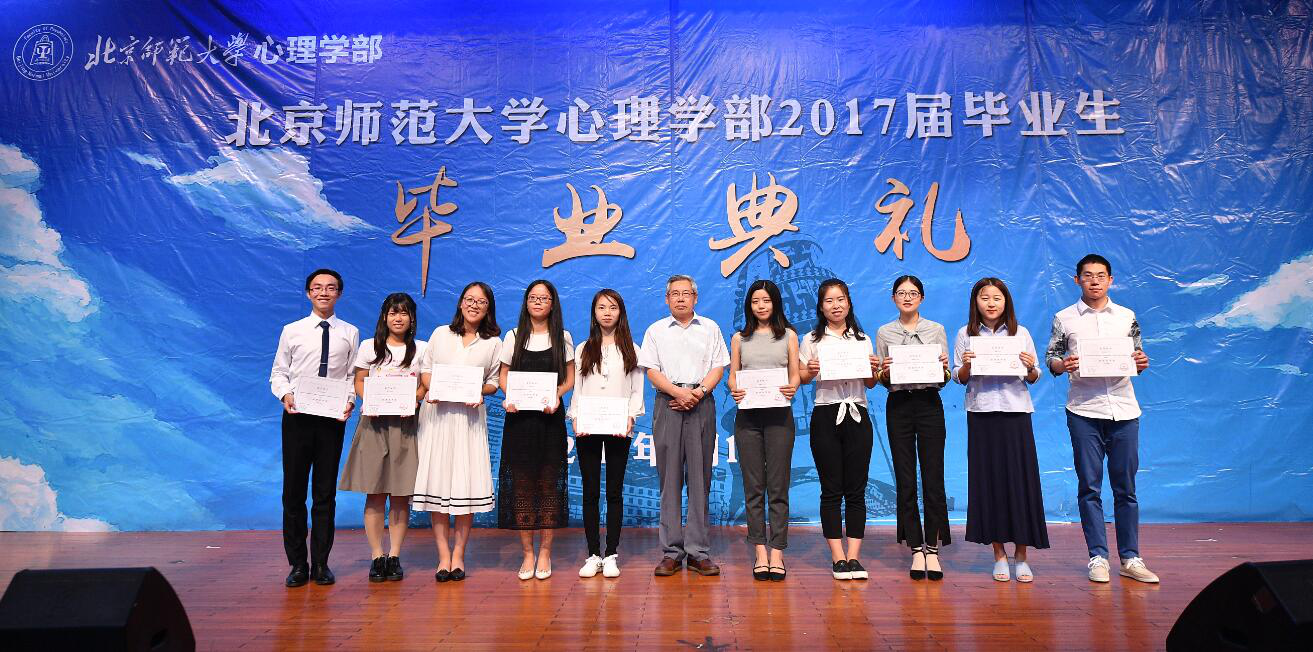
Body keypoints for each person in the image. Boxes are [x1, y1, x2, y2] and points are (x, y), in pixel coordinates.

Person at [1045, 254, 1157, 584]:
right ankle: (1098, 557)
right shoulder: (1065, 318)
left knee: (1126, 488)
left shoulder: (1126, 316)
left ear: (1111, 280)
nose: (1094, 281)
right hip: (1084, 410)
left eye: (1100, 275)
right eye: (1087, 275)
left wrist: (1141, 362)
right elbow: (1052, 358)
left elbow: (1137, 357)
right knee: (1089, 486)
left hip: (1124, 409)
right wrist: (1062, 365)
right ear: (1077, 280)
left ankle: (1131, 558)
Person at [952, 278, 1048, 583]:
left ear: (1006, 301)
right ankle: (999, 555)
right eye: (984, 297)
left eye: (997, 297)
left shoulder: (1021, 333)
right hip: (981, 413)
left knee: (1020, 482)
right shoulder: (965, 334)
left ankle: (1022, 555)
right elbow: (958, 377)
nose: (991, 303)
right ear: (975, 302)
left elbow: (1034, 375)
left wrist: (1030, 366)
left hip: (1016, 412)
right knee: (988, 482)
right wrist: (966, 365)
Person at [269, 268, 360, 587]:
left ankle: (321, 563)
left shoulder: (350, 332)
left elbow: (351, 376)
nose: (324, 292)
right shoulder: (292, 331)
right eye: (317, 287)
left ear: (339, 294)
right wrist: (286, 394)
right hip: (297, 417)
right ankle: (297, 564)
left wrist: (350, 401)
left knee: (324, 493)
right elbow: (278, 372)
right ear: (308, 293)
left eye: (331, 288)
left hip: (331, 420)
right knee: (293, 492)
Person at [639, 274, 729, 577]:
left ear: (695, 297)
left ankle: (698, 551)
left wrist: (698, 393)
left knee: (700, 479)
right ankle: (672, 552)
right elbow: (652, 371)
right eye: (674, 294)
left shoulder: (710, 328)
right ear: (667, 299)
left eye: (686, 293)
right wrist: (678, 393)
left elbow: (718, 366)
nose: (680, 298)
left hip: (701, 403)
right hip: (668, 404)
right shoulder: (655, 331)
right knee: (670, 480)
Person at [414, 281, 502, 582]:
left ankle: (459, 555)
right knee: (438, 485)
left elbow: (494, 382)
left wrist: (479, 391)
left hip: (469, 421)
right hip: (437, 418)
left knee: (466, 487)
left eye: (481, 302)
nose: (474, 305)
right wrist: (434, 388)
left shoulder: (493, 342)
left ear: (488, 308)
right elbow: (426, 371)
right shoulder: (441, 334)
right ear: (461, 303)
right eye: (469, 299)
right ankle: (443, 556)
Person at [339, 293, 426, 582]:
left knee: (401, 494)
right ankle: (377, 556)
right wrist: (371, 401)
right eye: (393, 313)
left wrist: (413, 399)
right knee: (375, 493)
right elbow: (359, 380)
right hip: (374, 425)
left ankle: (395, 555)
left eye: (404, 313)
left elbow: (425, 386)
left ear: (412, 318)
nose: (398, 318)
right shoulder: (369, 346)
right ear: (384, 317)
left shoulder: (422, 349)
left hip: (405, 426)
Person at [798, 278, 879, 581]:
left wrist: (874, 369)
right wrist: (810, 371)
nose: (836, 305)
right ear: (821, 307)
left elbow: (871, 383)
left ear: (849, 303)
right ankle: (837, 557)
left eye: (841, 299)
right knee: (831, 489)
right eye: (829, 301)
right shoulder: (811, 340)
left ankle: (854, 557)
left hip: (857, 412)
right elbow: (802, 378)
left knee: (856, 489)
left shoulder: (862, 339)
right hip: (826, 413)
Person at [876, 274, 952, 581]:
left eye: (913, 293)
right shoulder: (884, 332)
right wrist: (884, 372)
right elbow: (882, 380)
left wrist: (943, 369)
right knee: (905, 478)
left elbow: (945, 378)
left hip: (929, 403)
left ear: (921, 298)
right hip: (899, 405)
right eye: (901, 293)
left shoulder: (936, 329)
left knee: (933, 476)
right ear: (893, 298)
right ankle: (915, 549)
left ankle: (932, 548)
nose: (907, 297)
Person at [498, 280, 575, 580]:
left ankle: (545, 552)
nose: (538, 302)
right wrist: (510, 396)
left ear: (552, 303)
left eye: (544, 298)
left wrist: (557, 395)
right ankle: (527, 553)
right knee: (522, 486)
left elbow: (569, 378)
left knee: (548, 485)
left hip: (549, 420)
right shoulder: (513, 335)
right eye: (533, 297)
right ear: (526, 302)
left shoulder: (563, 337)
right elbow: (503, 375)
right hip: (519, 421)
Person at [569, 289, 645, 579]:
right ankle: (592, 554)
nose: (607, 313)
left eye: (612, 307)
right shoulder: (583, 348)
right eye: (601, 307)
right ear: (594, 313)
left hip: (618, 428)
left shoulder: (632, 349)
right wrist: (576, 416)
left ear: (620, 312)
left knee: (614, 491)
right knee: (590, 491)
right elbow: (578, 388)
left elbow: (637, 389)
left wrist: (630, 416)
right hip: (587, 427)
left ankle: (611, 553)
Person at [727, 279, 799, 582]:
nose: (761, 306)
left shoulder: (789, 335)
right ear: (749, 305)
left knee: (778, 486)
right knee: (753, 486)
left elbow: (795, 374)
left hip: (780, 416)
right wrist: (734, 389)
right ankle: (759, 552)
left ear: (775, 303)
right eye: (756, 301)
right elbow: (733, 376)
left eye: (766, 301)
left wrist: (792, 387)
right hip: (748, 418)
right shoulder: (739, 338)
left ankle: (777, 552)